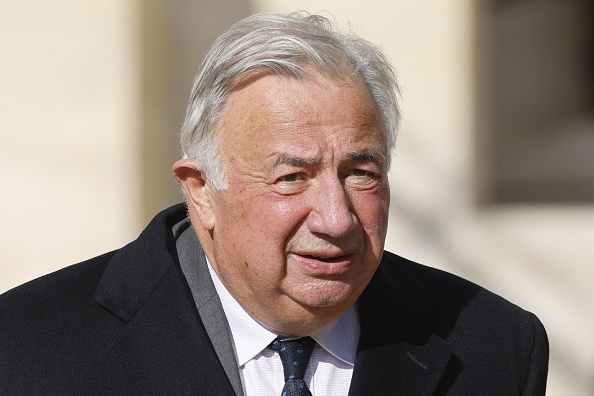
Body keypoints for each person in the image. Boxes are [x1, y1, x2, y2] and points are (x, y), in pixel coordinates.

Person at [0, 12, 548, 395]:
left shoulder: (496, 347)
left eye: (361, 173)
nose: (336, 219)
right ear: (201, 192)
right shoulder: (27, 348)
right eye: (292, 177)